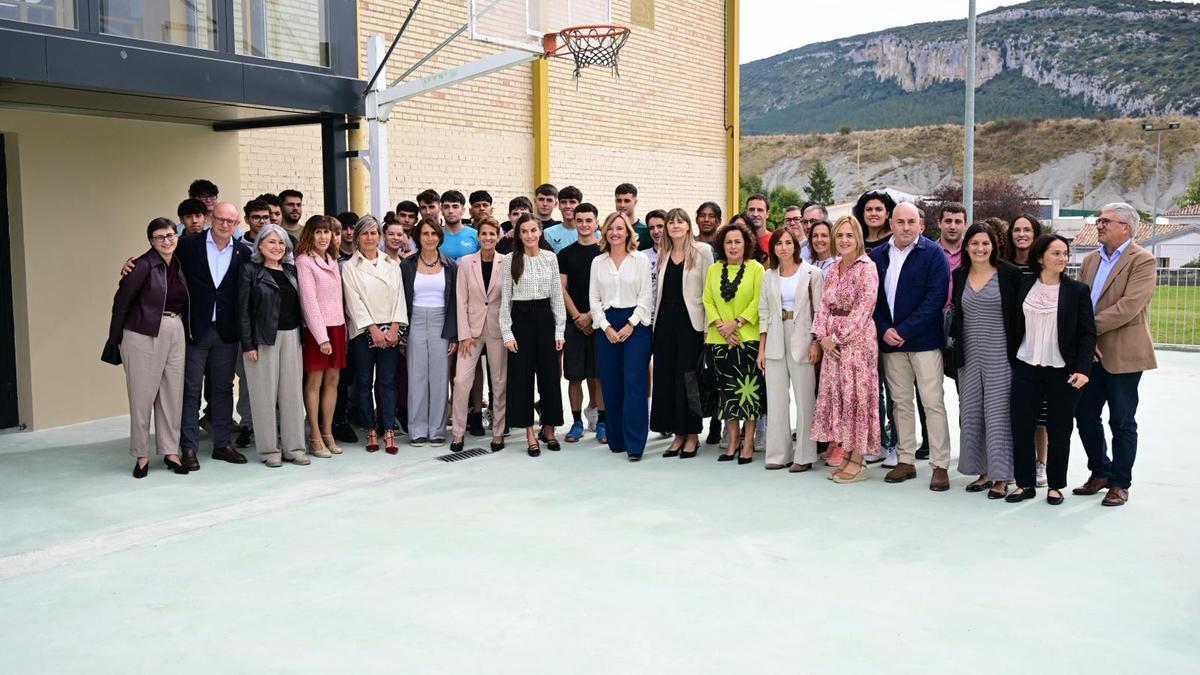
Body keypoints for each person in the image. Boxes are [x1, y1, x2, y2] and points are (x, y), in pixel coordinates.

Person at [1073, 203, 1157, 507]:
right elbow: (1079, 301)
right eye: (1099, 220)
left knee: (1122, 420)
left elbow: (1129, 307)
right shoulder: (1091, 259)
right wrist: (1084, 334)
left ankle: (1120, 483)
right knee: (1084, 415)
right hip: (1091, 355)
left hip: (1124, 353)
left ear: (1127, 227)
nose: (1099, 225)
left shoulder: (1143, 262)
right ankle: (1101, 471)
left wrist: (1087, 330)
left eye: (1106, 221)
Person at [870, 202, 953, 491]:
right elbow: (873, 299)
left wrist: (904, 330)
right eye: (900, 221)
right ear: (890, 223)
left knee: (932, 402)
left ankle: (940, 465)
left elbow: (936, 298)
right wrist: (885, 330)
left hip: (924, 342)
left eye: (911, 222)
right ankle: (905, 460)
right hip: (890, 343)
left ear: (921, 224)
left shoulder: (933, 254)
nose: (906, 227)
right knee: (900, 403)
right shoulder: (877, 256)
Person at [1007, 234, 1096, 505]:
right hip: (1026, 367)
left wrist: (1083, 370)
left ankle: (1056, 485)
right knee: (1021, 427)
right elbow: (1013, 324)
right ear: (1039, 257)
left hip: (1062, 371)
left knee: (1059, 429)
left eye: (1065, 253)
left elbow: (1087, 334)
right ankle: (1024, 484)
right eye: (1056, 253)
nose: (1062, 258)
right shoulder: (1023, 285)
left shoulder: (1077, 290)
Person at [106, 218, 191, 478]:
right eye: (159, 237)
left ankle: (170, 452)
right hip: (142, 333)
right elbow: (121, 303)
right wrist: (115, 340)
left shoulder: (177, 263)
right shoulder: (142, 265)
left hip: (175, 329)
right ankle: (141, 455)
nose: (167, 241)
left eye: (170, 235)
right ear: (151, 241)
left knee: (172, 394)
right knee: (142, 397)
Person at [949, 223, 1021, 498]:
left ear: (994, 246)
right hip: (968, 355)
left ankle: (1002, 476)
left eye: (985, 243)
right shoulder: (959, 275)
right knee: (972, 414)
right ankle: (983, 471)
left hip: (1000, 354)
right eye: (974, 243)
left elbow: (1018, 316)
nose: (980, 248)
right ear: (966, 246)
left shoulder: (1009, 274)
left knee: (998, 415)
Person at [811, 216, 880, 483]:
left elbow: (864, 308)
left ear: (858, 238)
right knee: (840, 397)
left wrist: (836, 337)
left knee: (857, 398)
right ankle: (847, 455)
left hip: (857, 343)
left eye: (849, 235)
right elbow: (823, 306)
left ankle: (858, 461)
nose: (844, 240)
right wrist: (822, 337)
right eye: (839, 236)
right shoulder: (833, 268)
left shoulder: (867, 268)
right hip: (831, 344)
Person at [236, 224, 310, 468]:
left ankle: (295, 448)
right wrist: (248, 344)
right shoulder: (250, 271)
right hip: (262, 340)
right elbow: (243, 311)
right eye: (271, 242)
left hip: (292, 337)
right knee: (263, 397)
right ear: (260, 246)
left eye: (281, 243)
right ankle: (269, 451)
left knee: (292, 395)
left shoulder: (291, 271)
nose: (277, 247)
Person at [757, 228, 824, 472]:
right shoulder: (768, 276)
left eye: (788, 242)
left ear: (796, 246)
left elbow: (820, 312)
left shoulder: (812, 273)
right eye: (778, 243)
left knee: (805, 399)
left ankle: (804, 456)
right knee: (776, 399)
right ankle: (778, 453)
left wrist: (817, 341)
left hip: (803, 339)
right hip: (775, 337)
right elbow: (763, 313)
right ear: (772, 248)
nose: (783, 247)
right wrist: (761, 349)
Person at [589, 212, 654, 461]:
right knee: (612, 382)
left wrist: (630, 324)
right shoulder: (598, 262)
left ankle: (635, 443)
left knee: (634, 383)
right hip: (606, 325)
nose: (615, 232)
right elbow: (594, 298)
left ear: (628, 232)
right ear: (605, 233)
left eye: (620, 228)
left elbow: (646, 296)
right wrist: (605, 326)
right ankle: (616, 439)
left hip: (635, 326)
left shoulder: (640, 260)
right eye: (610, 229)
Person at [500, 214, 566, 457]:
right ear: (518, 234)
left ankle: (549, 429)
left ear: (540, 232)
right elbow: (505, 299)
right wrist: (507, 332)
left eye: (533, 230)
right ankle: (529, 432)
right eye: (524, 231)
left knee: (550, 377)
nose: (529, 235)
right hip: (521, 319)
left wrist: (560, 329)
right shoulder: (510, 260)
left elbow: (557, 297)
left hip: (545, 319)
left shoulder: (550, 258)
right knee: (522, 379)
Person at [342, 215, 408, 453]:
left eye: (373, 233)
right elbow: (354, 302)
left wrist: (394, 328)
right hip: (363, 330)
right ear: (357, 238)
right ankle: (369, 427)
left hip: (390, 329)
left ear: (379, 237)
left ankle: (388, 428)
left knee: (387, 381)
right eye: (365, 233)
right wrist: (372, 329)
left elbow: (399, 296)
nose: (370, 238)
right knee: (363, 382)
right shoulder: (349, 267)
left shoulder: (392, 264)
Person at [650, 208, 712, 458]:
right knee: (666, 378)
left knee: (688, 380)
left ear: (688, 226)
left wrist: (708, 328)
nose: (675, 226)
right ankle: (677, 435)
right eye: (671, 222)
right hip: (665, 323)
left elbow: (709, 292)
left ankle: (692, 435)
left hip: (691, 324)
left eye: (680, 222)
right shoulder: (663, 253)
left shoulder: (703, 251)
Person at [703, 221, 765, 464]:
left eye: (737, 241)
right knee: (726, 394)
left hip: (746, 339)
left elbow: (759, 300)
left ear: (746, 243)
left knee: (747, 394)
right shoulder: (714, 270)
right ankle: (732, 442)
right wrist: (721, 326)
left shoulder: (756, 268)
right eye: (728, 242)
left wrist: (736, 323)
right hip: (719, 342)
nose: (733, 246)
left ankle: (748, 444)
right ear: (722, 245)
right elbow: (707, 300)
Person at [400, 218, 458, 448]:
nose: (430, 238)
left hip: (441, 321)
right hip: (415, 320)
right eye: (425, 234)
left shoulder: (451, 265)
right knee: (417, 376)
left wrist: (453, 334)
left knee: (439, 376)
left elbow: (455, 301)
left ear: (440, 237)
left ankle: (437, 429)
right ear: (418, 237)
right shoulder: (407, 264)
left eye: (434, 234)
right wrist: (402, 332)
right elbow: (401, 298)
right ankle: (417, 429)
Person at [451, 218, 508, 453]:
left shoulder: (506, 262)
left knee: (499, 381)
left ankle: (497, 432)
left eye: (492, 234)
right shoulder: (465, 263)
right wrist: (463, 334)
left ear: (498, 236)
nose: (487, 238)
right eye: (483, 234)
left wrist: (508, 331)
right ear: (478, 237)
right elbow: (460, 299)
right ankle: (457, 433)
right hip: (471, 331)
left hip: (497, 328)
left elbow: (509, 299)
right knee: (461, 381)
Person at [295, 215, 347, 458]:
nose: (324, 237)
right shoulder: (305, 261)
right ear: (310, 235)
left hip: (337, 326)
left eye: (327, 232)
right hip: (319, 330)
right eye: (318, 232)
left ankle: (328, 432)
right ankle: (314, 435)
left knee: (333, 381)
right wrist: (321, 337)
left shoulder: (332, 260)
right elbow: (309, 301)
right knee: (315, 382)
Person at [1005, 213, 1049, 484]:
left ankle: (1041, 463)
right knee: (1014, 410)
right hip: (1010, 346)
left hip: (1039, 346)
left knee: (1040, 414)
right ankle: (1012, 462)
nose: (1021, 234)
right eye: (1016, 230)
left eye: (1027, 230)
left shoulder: (1044, 268)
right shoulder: (1003, 267)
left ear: (1035, 234)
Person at [558, 203, 606, 444]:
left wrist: (591, 315)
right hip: (573, 322)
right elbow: (561, 289)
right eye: (580, 220)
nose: (585, 225)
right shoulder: (565, 254)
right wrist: (577, 315)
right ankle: (576, 422)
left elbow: (608, 290)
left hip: (599, 321)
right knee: (574, 376)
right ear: (574, 222)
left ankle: (602, 423)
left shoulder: (605, 252)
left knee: (598, 375)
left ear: (597, 222)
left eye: (589, 220)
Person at [438, 190, 480, 261]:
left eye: (455, 206)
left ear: (463, 210)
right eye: (446, 207)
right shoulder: (434, 235)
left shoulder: (476, 235)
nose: (451, 211)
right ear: (441, 210)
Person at [615, 183, 653, 251]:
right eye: (619, 201)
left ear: (635, 202)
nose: (622, 205)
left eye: (627, 201)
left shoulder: (646, 231)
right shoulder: (609, 230)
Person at [936, 203, 967, 275]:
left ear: (965, 225)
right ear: (939, 223)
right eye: (948, 221)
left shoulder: (971, 252)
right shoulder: (929, 252)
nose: (952, 227)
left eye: (958, 222)